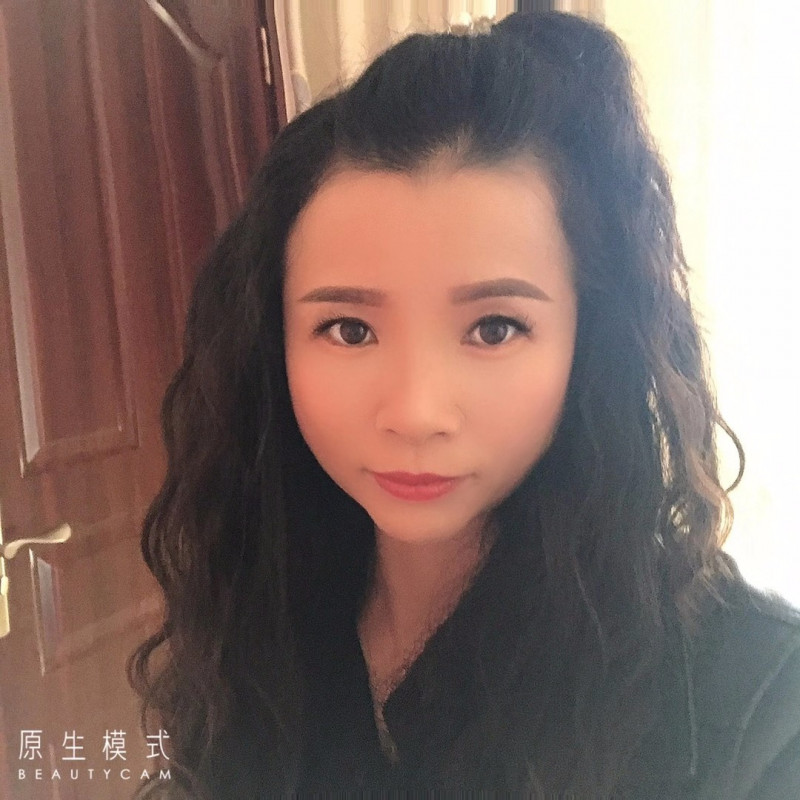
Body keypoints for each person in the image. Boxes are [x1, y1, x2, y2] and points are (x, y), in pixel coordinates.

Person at [129, 10, 800, 799]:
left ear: (590, 342)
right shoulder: (253, 601)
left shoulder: (755, 698)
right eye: (349, 329)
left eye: (494, 328)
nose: (416, 412)